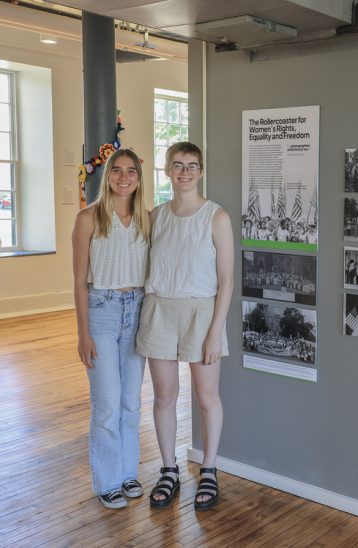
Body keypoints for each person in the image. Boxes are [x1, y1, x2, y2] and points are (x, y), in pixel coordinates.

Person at [136, 142, 234, 511]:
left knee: (207, 398)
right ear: (168, 170)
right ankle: (169, 469)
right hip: (159, 310)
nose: (185, 172)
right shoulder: (156, 216)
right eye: (178, 165)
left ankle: (209, 469)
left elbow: (227, 281)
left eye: (192, 165)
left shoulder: (216, 217)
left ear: (201, 170)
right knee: (164, 397)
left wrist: (215, 332)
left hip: (201, 313)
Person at [72, 149, 150, 509]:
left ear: (138, 178)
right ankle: (107, 481)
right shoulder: (88, 218)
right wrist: (82, 333)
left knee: (131, 402)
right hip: (101, 311)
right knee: (106, 404)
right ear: (108, 176)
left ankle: (128, 472)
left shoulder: (147, 219)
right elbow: (78, 281)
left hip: (137, 310)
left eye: (131, 171)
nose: (124, 177)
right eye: (117, 170)